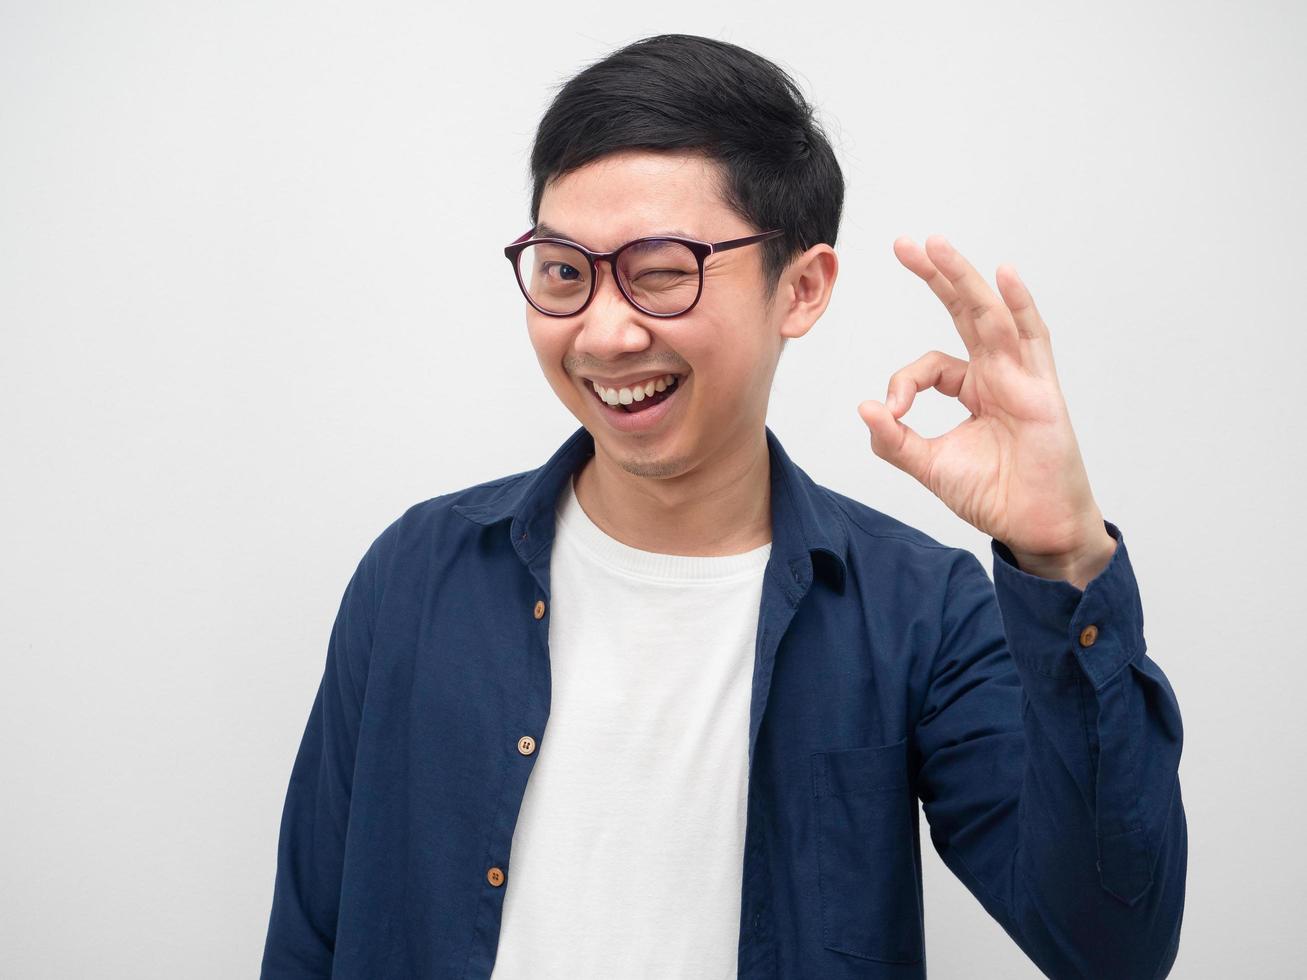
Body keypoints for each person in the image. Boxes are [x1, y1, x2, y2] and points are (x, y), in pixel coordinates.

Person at [259, 33, 1186, 980]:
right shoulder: (416, 574)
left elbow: (1109, 948)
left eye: (661, 269)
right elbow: (309, 934)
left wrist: (1064, 560)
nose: (606, 331)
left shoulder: (920, 613)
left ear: (802, 287)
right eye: (564, 270)